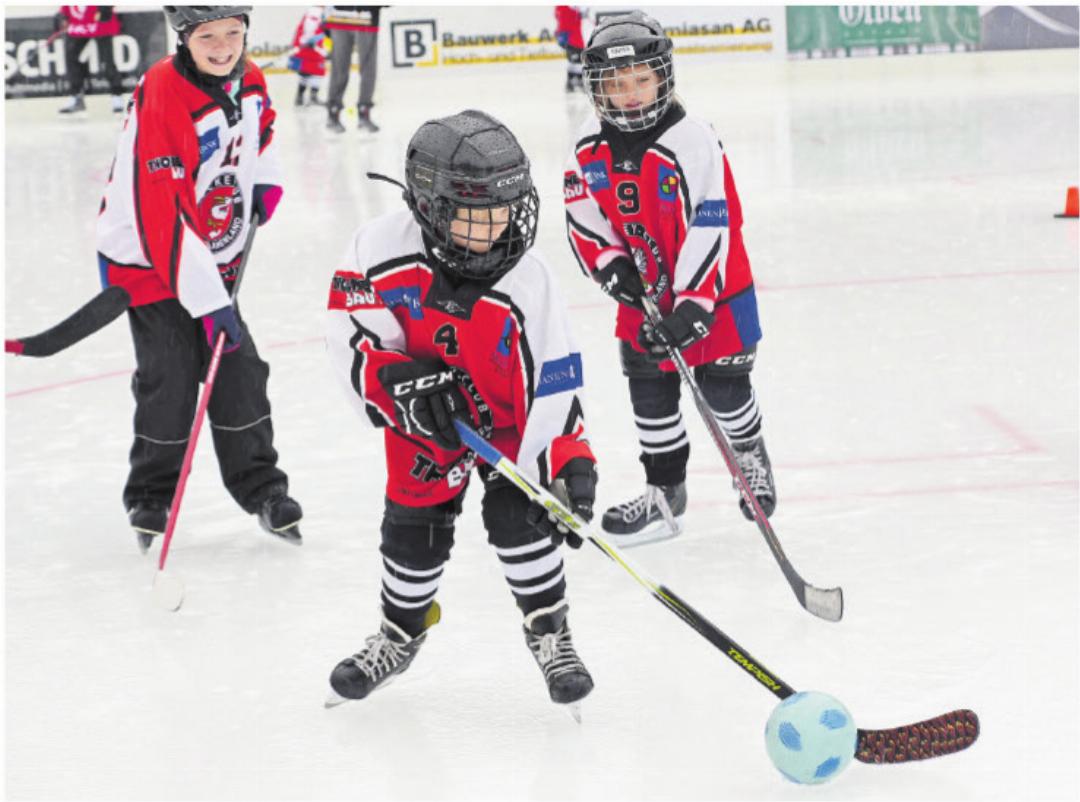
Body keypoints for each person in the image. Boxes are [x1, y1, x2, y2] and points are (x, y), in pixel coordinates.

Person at [324, 110, 596, 710]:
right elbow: (347, 335)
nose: (499, 226)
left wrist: (569, 460)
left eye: (507, 207)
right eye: (478, 214)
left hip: (508, 425)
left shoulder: (529, 278)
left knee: (518, 518)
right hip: (423, 421)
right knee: (412, 529)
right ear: (430, 207)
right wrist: (400, 387)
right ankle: (399, 633)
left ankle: (550, 630)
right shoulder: (375, 249)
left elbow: (554, 380)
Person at [96, 6, 303, 553]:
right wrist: (210, 303)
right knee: (170, 374)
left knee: (239, 370)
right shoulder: (163, 92)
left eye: (234, 33)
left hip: (207, 252)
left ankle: (263, 488)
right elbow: (162, 215)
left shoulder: (250, 77)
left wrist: (266, 177)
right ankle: (151, 495)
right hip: (147, 257)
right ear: (184, 38)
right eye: (208, 36)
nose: (223, 46)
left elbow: (263, 132)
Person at [564, 12, 776, 546]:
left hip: (716, 292)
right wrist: (611, 267)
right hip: (643, 291)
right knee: (649, 392)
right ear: (597, 88)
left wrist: (693, 304)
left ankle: (748, 452)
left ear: (662, 76)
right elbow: (582, 212)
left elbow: (714, 218)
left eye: (641, 80)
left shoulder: (693, 139)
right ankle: (665, 493)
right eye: (615, 84)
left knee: (723, 389)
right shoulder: (589, 143)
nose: (630, 94)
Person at [55, 5, 125, 114]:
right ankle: (76, 96)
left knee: (107, 61)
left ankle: (117, 95)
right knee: (71, 57)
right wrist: (63, 17)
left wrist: (104, 10)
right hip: (78, 23)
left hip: (100, 22)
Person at [323, 6, 380, 133]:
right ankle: (334, 113)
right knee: (340, 69)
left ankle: (363, 112)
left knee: (367, 70)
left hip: (365, 17)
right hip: (340, 18)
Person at [290, 6, 329, 106]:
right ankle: (303, 97)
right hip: (311, 49)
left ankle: (308, 97)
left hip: (313, 48)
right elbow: (308, 28)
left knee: (313, 72)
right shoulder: (316, 12)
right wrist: (308, 42)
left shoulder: (317, 12)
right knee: (308, 72)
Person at [554, 6, 588, 93]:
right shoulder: (568, 8)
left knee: (573, 60)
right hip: (573, 39)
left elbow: (557, 16)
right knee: (577, 60)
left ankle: (571, 82)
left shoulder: (562, 8)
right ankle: (576, 81)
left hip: (568, 38)